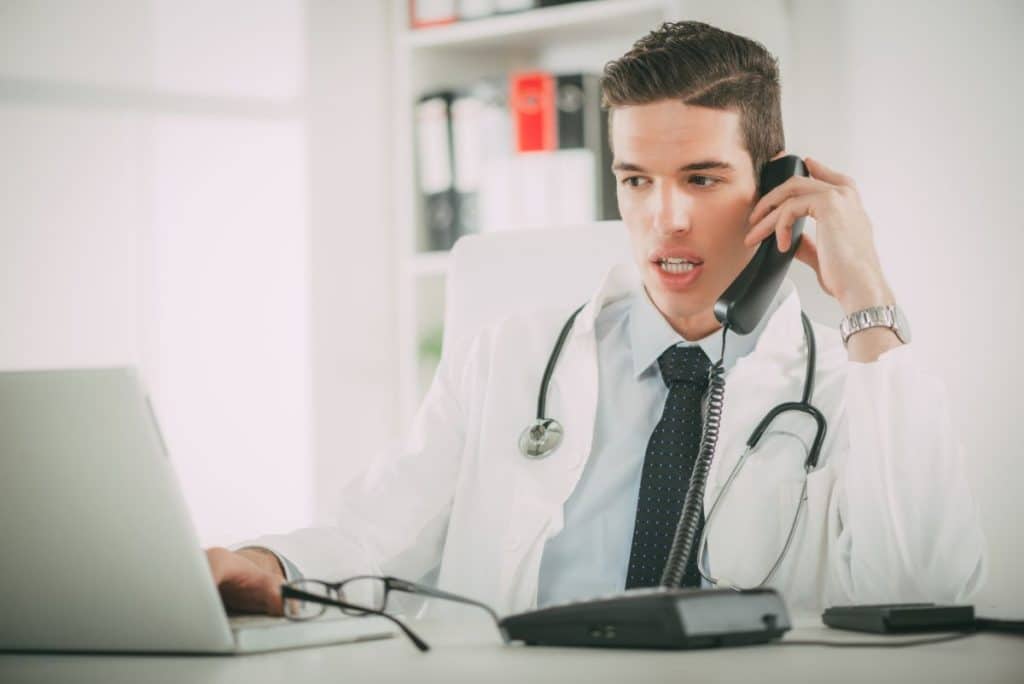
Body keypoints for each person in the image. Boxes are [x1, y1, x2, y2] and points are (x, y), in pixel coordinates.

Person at [206, 21, 986, 619]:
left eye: (702, 178)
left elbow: (922, 595)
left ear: (775, 183)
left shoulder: (852, 389)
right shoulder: (508, 357)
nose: (666, 218)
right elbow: (371, 534)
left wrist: (866, 299)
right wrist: (265, 564)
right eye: (636, 179)